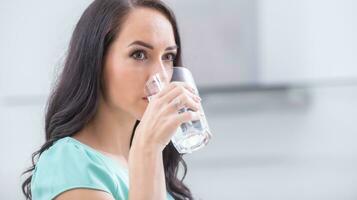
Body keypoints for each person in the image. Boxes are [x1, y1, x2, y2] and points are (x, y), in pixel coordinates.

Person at [21, 0, 203, 199]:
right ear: (96, 61)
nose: (160, 75)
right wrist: (148, 149)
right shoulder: (68, 163)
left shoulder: (145, 162)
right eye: (139, 54)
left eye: (168, 56)